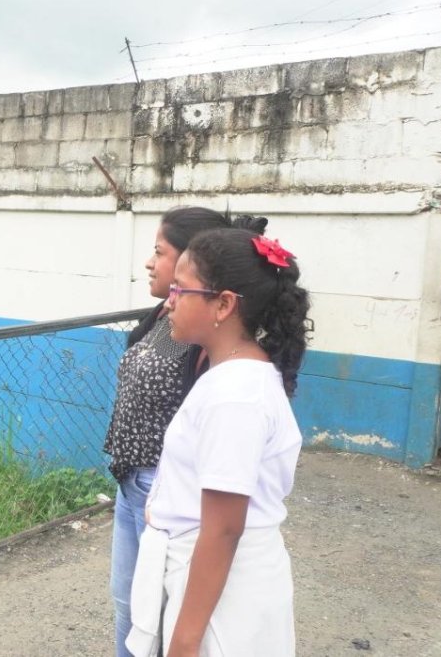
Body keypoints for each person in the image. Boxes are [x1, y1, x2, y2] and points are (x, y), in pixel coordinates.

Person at [126, 228, 311, 657]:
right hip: (216, 584)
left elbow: (224, 527)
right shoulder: (232, 376)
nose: (168, 301)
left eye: (180, 290)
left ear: (224, 304)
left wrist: (185, 640)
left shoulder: (235, 395)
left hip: (224, 598)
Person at [104, 207, 267, 657]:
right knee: (131, 613)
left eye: (159, 253)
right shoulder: (164, 317)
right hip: (132, 482)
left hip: (168, 492)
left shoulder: (210, 344)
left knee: (161, 618)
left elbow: (226, 520)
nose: (149, 263)